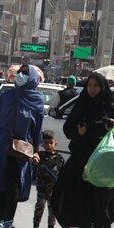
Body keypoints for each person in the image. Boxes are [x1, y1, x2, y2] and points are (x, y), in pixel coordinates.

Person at [0, 64, 43, 228]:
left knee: (14, 182)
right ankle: (1, 220)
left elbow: (37, 128)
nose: (21, 76)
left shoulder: (37, 101)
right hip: (0, 143)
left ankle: (9, 220)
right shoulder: (7, 96)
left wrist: (37, 150)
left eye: (25, 74)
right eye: (20, 73)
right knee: (0, 181)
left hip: (21, 147)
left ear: (32, 79)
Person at [51, 72, 114, 227]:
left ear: (103, 87)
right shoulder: (82, 103)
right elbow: (68, 128)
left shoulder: (110, 105)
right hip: (82, 159)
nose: (92, 89)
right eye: (89, 86)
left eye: (96, 86)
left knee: (102, 202)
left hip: (103, 163)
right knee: (74, 197)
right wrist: (78, 133)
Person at [33, 130, 64, 228]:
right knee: (39, 209)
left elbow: (63, 174)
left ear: (55, 143)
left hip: (54, 192)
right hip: (41, 190)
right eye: (46, 143)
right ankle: (35, 225)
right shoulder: (40, 156)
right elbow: (33, 161)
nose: (49, 145)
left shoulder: (59, 158)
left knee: (52, 213)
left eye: (51, 143)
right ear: (42, 144)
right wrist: (34, 157)